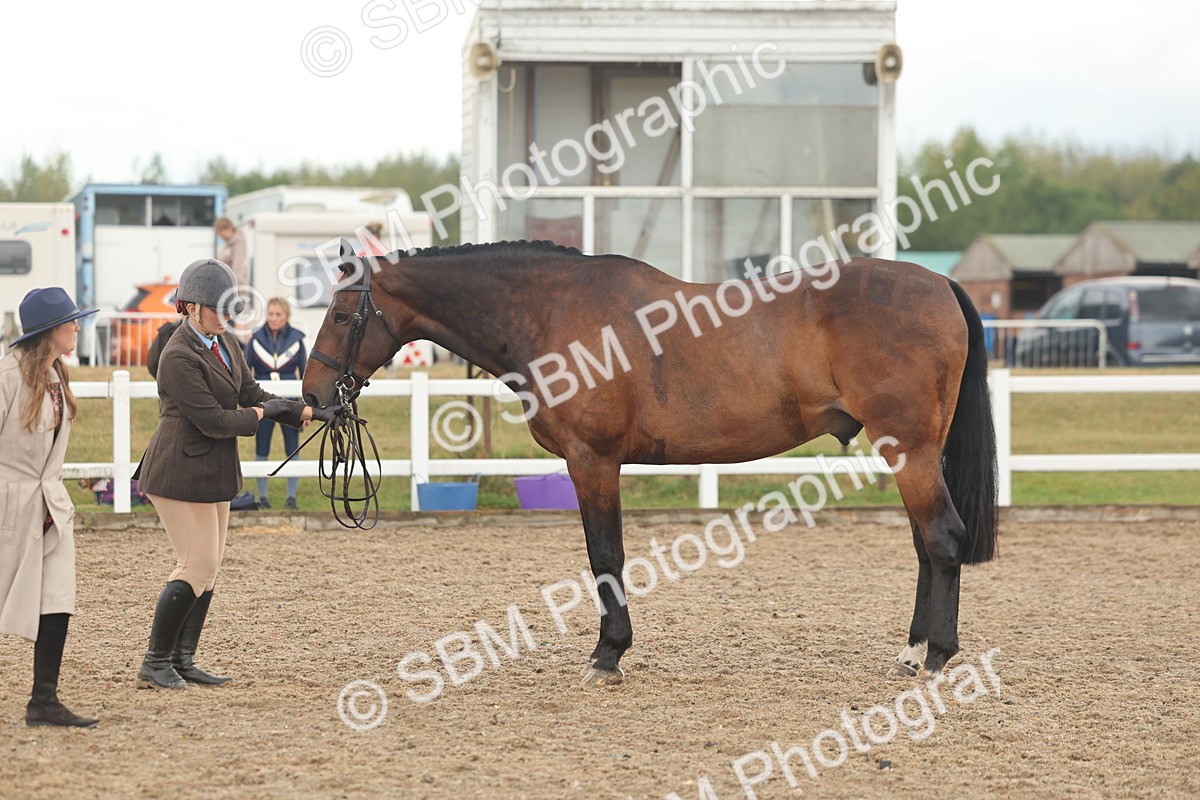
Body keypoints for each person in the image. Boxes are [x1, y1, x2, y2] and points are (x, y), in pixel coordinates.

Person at [133, 259, 336, 690]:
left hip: (212, 468)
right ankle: (154, 662)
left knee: (209, 567)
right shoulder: (178, 356)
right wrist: (262, 415)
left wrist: (306, 411)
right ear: (190, 308)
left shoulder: (225, 345)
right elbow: (217, 421)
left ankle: (183, 659)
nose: (228, 316)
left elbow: (251, 392)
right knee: (196, 563)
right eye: (219, 309)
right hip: (178, 467)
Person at [0, 287, 99, 727]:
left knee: (57, 600)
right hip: (9, 505)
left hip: (50, 508)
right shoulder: (5, 376)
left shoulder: (57, 376)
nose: (78, 326)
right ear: (50, 330)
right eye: (70, 320)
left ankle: (43, 701)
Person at [244, 298, 307, 509]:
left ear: (286, 316)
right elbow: (246, 374)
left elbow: (305, 375)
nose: (273, 318)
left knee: (292, 448)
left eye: (278, 314)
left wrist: (306, 407)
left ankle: (292, 497)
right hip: (263, 399)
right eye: (270, 314)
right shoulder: (255, 339)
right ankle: (263, 496)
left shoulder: (297, 340)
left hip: (290, 401)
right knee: (262, 447)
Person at [214, 217, 248, 289]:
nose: (220, 236)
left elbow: (239, 268)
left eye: (221, 232)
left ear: (229, 228)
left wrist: (235, 289)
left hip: (236, 289)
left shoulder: (238, 243)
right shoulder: (228, 244)